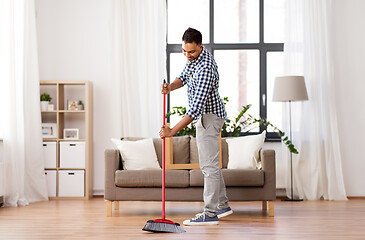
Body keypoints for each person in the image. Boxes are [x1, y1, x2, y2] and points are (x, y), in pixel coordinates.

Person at [159, 27, 233, 226]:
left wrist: (172, 132)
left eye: (191, 51)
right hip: (205, 116)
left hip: (208, 117)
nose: (187, 55)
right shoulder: (194, 59)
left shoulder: (206, 68)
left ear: (201, 46)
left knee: (208, 167)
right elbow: (182, 77)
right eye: (184, 51)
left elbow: (194, 109)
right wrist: (170, 87)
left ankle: (210, 214)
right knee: (211, 165)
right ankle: (223, 205)